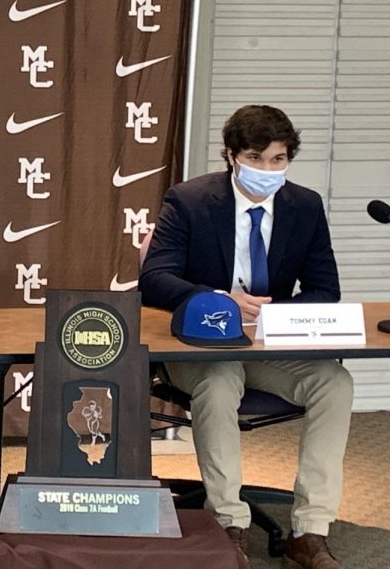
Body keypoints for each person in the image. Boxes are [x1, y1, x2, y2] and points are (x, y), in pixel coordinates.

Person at [138, 105, 352, 569]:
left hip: (268, 345)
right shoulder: (189, 200)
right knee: (218, 383)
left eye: (278, 160)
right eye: (256, 158)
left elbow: (325, 289)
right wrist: (219, 300)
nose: (268, 170)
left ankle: (309, 530)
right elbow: (154, 279)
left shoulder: (305, 206)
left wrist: (281, 314)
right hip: (202, 347)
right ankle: (228, 524)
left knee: (335, 383)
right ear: (232, 156)